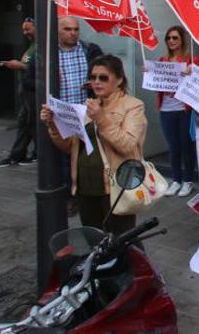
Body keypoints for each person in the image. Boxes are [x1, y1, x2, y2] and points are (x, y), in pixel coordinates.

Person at [40, 55, 145, 236]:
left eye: (103, 77)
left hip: (114, 188)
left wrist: (101, 118)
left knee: (122, 241)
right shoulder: (88, 106)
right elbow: (70, 147)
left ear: (119, 80)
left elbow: (128, 145)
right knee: (94, 239)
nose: (96, 82)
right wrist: (53, 125)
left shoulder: (133, 106)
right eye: (93, 77)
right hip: (84, 187)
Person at [52, 17, 103, 215]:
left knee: (86, 155)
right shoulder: (49, 54)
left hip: (86, 114)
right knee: (65, 158)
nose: (73, 33)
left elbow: (104, 73)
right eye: (67, 29)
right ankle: (70, 196)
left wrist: (94, 86)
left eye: (76, 29)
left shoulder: (90, 50)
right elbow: (32, 80)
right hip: (61, 114)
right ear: (58, 32)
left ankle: (86, 194)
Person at [157, 26, 199, 198]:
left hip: (184, 111)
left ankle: (188, 180)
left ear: (182, 39)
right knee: (173, 147)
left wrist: (193, 72)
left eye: (175, 37)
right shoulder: (163, 60)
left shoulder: (192, 60)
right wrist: (150, 74)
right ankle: (176, 179)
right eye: (168, 38)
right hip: (166, 109)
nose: (171, 41)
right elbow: (156, 85)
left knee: (186, 147)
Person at [0, 17, 37, 168]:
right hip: (26, 90)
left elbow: (37, 68)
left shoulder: (40, 46)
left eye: (28, 29)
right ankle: (21, 154)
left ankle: (21, 154)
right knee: (26, 122)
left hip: (32, 90)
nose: (25, 32)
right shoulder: (32, 46)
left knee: (28, 121)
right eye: (23, 29)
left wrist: (18, 65)